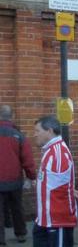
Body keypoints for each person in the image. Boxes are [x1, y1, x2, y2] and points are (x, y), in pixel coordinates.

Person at [33, 115, 77, 247]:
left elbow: (62, 186)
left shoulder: (57, 153)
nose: (34, 135)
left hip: (57, 221)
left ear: (50, 131)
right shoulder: (51, 150)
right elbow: (60, 182)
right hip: (45, 218)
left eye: (37, 131)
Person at [0, 105, 36, 245]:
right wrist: (31, 176)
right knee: (17, 208)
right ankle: (21, 234)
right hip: (15, 180)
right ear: (12, 116)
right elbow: (27, 159)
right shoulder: (19, 135)